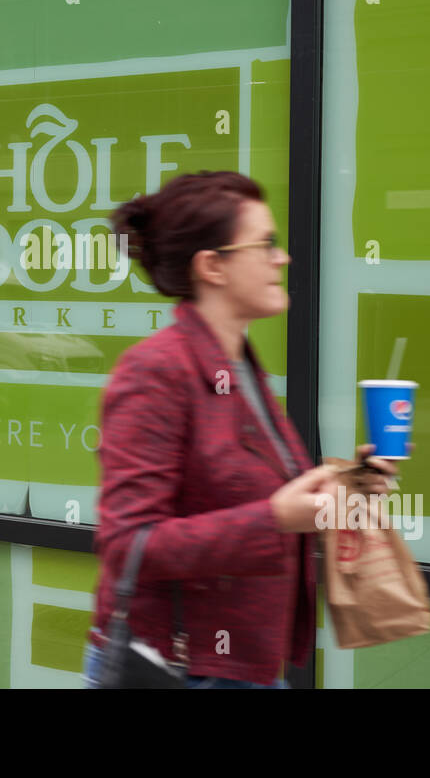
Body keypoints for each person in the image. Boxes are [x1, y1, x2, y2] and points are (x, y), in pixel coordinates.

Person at [83, 171, 397, 688]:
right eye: (266, 245)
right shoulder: (156, 371)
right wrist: (275, 517)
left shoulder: (241, 367)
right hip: (180, 670)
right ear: (213, 266)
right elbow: (128, 542)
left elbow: (245, 494)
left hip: (242, 666)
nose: (283, 258)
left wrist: (347, 486)